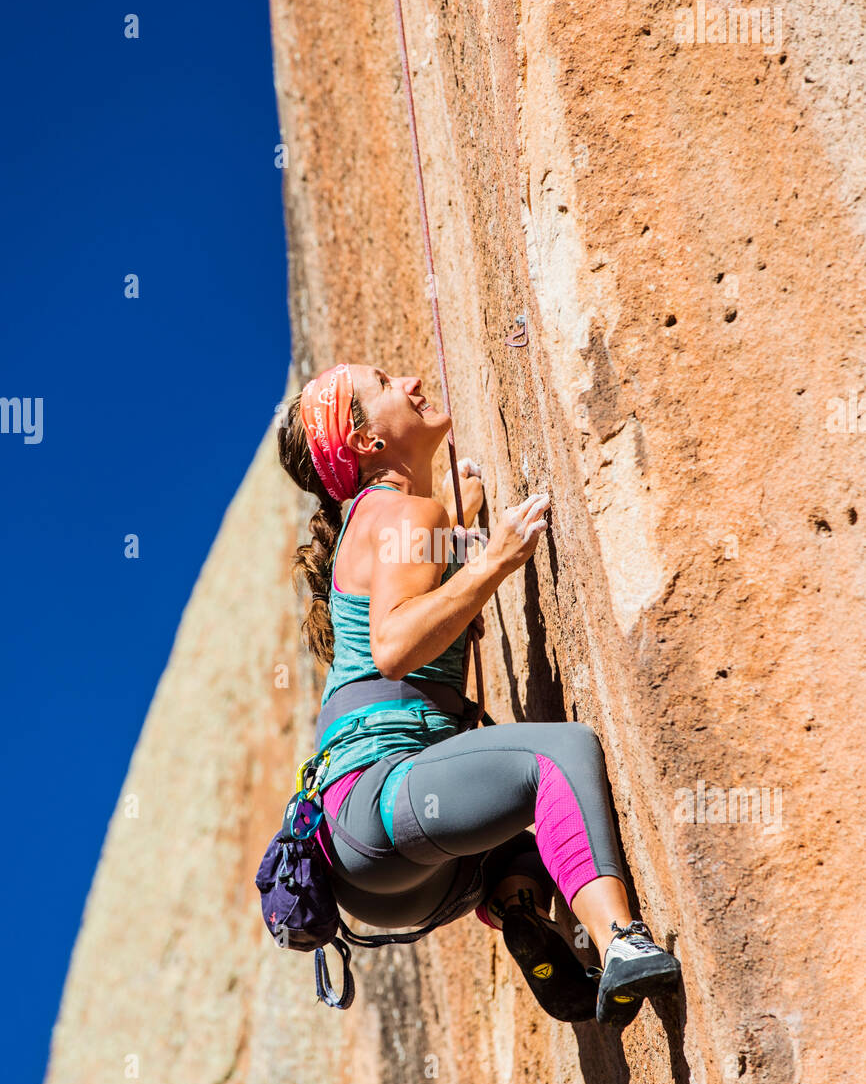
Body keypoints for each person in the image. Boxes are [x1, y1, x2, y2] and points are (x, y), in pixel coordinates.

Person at [277, 361, 681, 1026]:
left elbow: (415, 569)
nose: (407, 381)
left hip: (389, 879)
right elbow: (395, 646)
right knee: (558, 756)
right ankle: (621, 944)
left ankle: (518, 903)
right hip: (379, 803)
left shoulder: (392, 518)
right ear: (364, 443)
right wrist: (494, 559)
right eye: (380, 388)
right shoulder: (402, 513)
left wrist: (459, 521)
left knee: (532, 826)